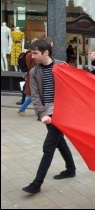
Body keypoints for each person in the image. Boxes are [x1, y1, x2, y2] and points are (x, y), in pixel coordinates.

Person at [22, 38, 76, 194]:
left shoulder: (62, 67)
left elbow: (73, 89)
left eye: (35, 53)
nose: (32, 56)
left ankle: (36, 183)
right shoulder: (34, 71)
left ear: (46, 52)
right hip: (47, 113)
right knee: (59, 142)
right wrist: (42, 114)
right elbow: (36, 95)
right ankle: (71, 169)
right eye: (32, 52)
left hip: (61, 113)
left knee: (48, 146)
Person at [17, 38, 37, 117]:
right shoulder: (31, 55)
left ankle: (22, 109)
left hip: (31, 75)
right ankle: (22, 109)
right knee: (33, 95)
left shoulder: (29, 53)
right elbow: (33, 66)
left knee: (31, 94)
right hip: (33, 76)